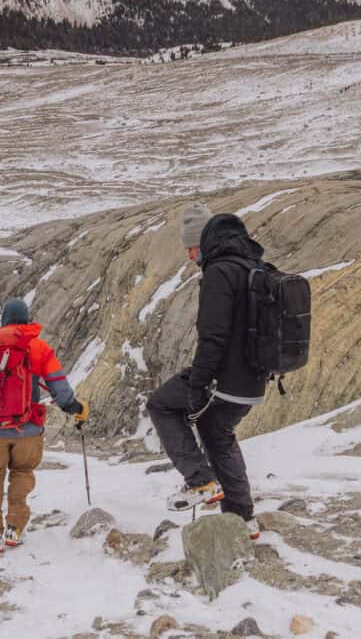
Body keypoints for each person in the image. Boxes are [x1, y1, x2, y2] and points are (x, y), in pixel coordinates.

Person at [146, 203, 268, 539]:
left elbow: (213, 336)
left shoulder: (218, 273)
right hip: (254, 378)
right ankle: (242, 518)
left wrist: (199, 382)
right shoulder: (252, 266)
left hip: (224, 378)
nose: (188, 255)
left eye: (191, 248)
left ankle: (199, 481)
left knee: (161, 404)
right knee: (218, 433)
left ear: (206, 242)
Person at [0, 298, 90, 553]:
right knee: (22, 474)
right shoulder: (39, 348)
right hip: (29, 429)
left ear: (4, 321)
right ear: (27, 320)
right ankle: (14, 527)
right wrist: (76, 409)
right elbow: (59, 388)